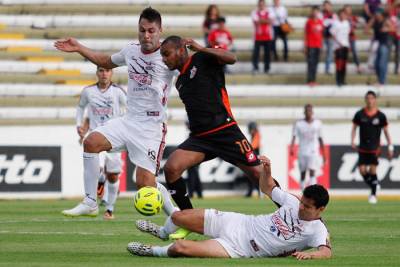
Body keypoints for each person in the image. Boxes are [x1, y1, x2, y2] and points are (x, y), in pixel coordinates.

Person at [55, 7, 178, 218]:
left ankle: (176, 217)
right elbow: (104, 61)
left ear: (160, 31)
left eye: (151, 30)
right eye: (142, 30)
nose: (146, 35)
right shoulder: (131, 50)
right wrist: (79, 47)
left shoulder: (169, 57)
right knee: (91, 142)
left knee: (145, 184)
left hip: (151, 128)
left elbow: (193, 69)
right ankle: (91, 201)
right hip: (128, 121)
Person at [159, 36, 267, 239]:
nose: (164, 59)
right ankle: (188, 220)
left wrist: (201, 48)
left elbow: (231, 57)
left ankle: (291, 216)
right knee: (171, 168)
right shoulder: (179, 81)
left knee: (258, 175)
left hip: (225, 130)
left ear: (181, 50)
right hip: (200, 137)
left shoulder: (203, 58)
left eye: (166, 54)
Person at [128, 156, 332, 260]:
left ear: (320, 209)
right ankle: (163, 232)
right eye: (302, 202)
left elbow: (326, 252)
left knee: (180, 248)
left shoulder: (317, 230)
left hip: (239, 248)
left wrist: (310, 255)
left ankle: (151, 251)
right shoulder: (293, 202)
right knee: (179, 217)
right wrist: (267, 171)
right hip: (238, 221)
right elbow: (267, 188)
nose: (301, 207)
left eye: (306, 207)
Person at [75, 67, 126, 219]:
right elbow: (80, 107)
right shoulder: (88, 91)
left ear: (112, 73)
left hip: (114, 136)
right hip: (95, 135)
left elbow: (130, 108)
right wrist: (79, 125)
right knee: (97, 168)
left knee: (113, 176)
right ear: (97, 73)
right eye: (101, 70)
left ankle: (109, 209)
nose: (104, 73)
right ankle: (95, 198)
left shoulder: (118, 92)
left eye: (107, 71)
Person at [351, 91, 394, 204]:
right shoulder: (360, 114)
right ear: (365, 100)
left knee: (372, 170)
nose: (370, 100)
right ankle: (374, 184)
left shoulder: (381, 116)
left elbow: (386, 132)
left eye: (372, 98)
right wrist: (352, 140)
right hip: (362, 147)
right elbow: (354, 128)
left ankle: (373, 194)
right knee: (362, 171)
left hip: (375, 148)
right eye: (368, 98)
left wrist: (390, 147)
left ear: (375, 100)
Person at [290, 104, 326, 191]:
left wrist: (324, 153)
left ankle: (312, 193)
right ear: (304, 112)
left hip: (313, 151)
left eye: (310, 111)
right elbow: (294, 136)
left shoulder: (318, 123)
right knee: (302, 173)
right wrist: (292, 147)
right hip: (302, 151)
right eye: (307, 111)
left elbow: (320, 138)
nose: (308, 112)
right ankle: (303, 192)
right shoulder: (298, 124)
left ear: (312, 112)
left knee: (312, 172)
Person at [366, 9, 395, 85]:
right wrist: (371, 20)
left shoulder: (385, 21)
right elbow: (366, 29)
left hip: (384, 43)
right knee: (376, 64)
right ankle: (381, 80)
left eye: (378, 13)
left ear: (381, 14)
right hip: (377, 44)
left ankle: (382, 81)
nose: (376, 15)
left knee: (382, 63)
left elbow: (394, 29)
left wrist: (387, 29)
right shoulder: (374, 21)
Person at [251, 0, 273, 74]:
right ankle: (255, 68)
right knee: (256, 54)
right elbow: (256, 22)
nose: (261, 6)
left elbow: (271, 21)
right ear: (258, 5)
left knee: (267, 54)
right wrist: (266, 20)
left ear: (264, 5)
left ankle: (267, 68)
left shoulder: (269, 12)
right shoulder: (254, 12)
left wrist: (261, 20)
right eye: (260, 4)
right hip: (258, 36)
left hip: (267, 36)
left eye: (262, 4)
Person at [330, 9, 350, 86]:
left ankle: (343, 80)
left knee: (344, 64)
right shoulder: (335, 23)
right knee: (339, 64)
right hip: (338, 46)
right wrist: (339, 43)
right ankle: (338, 80)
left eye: (344, 14)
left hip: (345, 46)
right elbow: (333, 34)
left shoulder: (347, 23)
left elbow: (347, 35)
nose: (342, 16)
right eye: (341, 14)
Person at [304, 6, 324, 86]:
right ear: (312, 12)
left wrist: (321, 46)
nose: (315, 13)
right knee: (310, 63)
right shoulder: (309, 22)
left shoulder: (320, 22)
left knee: (316, 64)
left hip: (318, 45)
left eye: (317, 11)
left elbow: (321, 35)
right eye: (314, 11)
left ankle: (314, 80)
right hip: (310, 45)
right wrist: (305, 46)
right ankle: (309, 80)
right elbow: (306, 34)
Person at [344, 5, 362, 74]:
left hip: (352, 37)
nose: (348, 11)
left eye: (349, 9)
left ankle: (358, 67)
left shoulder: (353, 17)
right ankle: (343, 68)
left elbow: (360, 23)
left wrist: (356, 25)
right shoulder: (343, 17)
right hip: (344, 37)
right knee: (344, 53)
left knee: (354, 52)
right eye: (346, 9)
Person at [244, 121, 261, 197]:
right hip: (253, 157)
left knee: (256, 176)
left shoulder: (257, 135)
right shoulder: (254, 136)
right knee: (250, 175)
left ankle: (259, 191)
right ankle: (251, 192)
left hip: (255, 157)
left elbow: (253, 146)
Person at [322, 1, 337, 75]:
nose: (327, 7)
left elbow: (336, 26)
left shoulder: (334, 15)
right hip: (322, 37)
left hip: (330, 37)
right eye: (325, 6)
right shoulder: (321, 15)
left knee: (330, 54)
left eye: (328, 6)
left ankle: (327, 69)